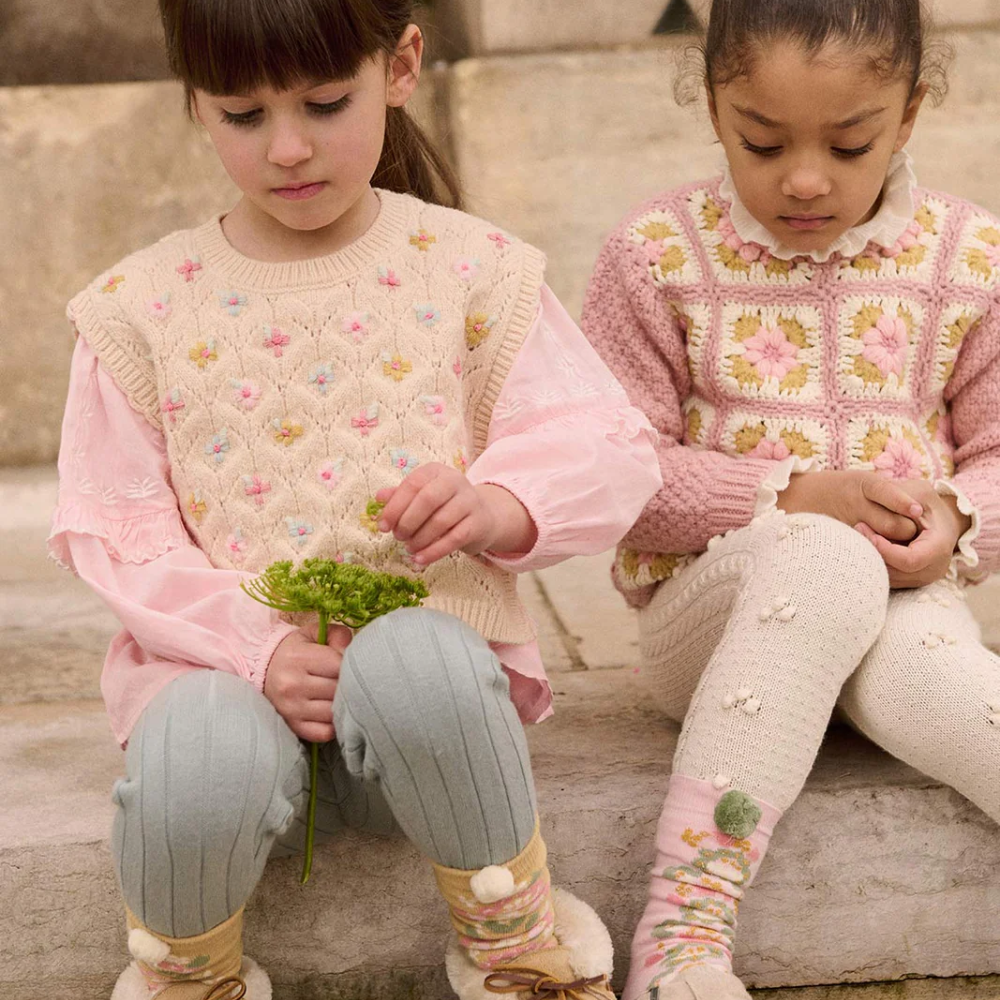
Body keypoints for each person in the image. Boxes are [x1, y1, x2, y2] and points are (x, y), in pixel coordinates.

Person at [49, 2, 662, 997]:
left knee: (416, 657)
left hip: (431, 730)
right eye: (242, 116)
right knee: (195, 754)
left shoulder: (471, 268)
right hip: (227, 692)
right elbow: (117, 533)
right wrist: (257, 648)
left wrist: (499, 503)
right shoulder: (140, 307)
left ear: (401, 64)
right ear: (196, 101)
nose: (288, 148)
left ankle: (515, 944)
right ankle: (186, 976)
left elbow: (608, 446)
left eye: (326, 103)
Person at [581, 1, 1000, 997]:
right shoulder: (654, 255)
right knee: (821, 553)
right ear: (714, 107)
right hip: (716, 615)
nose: (803, 178)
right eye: (758, 141)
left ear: (906, 115)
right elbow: (609, 474)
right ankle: (680, 939)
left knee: (949, 687)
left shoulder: (969, 258)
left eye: (848, 142)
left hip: (905, 609)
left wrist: (953, 521)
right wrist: (792, 494)